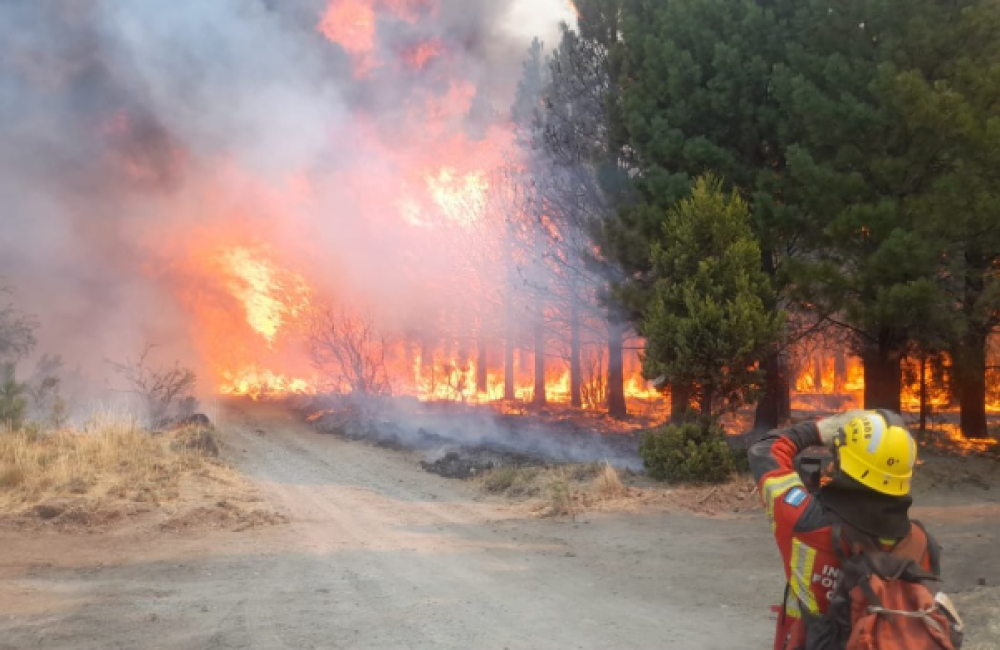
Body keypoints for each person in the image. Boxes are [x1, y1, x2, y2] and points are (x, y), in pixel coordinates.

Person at [748, 409, 958, 650]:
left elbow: (764, 450)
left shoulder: (805, 523)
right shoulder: (923, 545)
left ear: (841, 462)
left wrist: (818, 430)